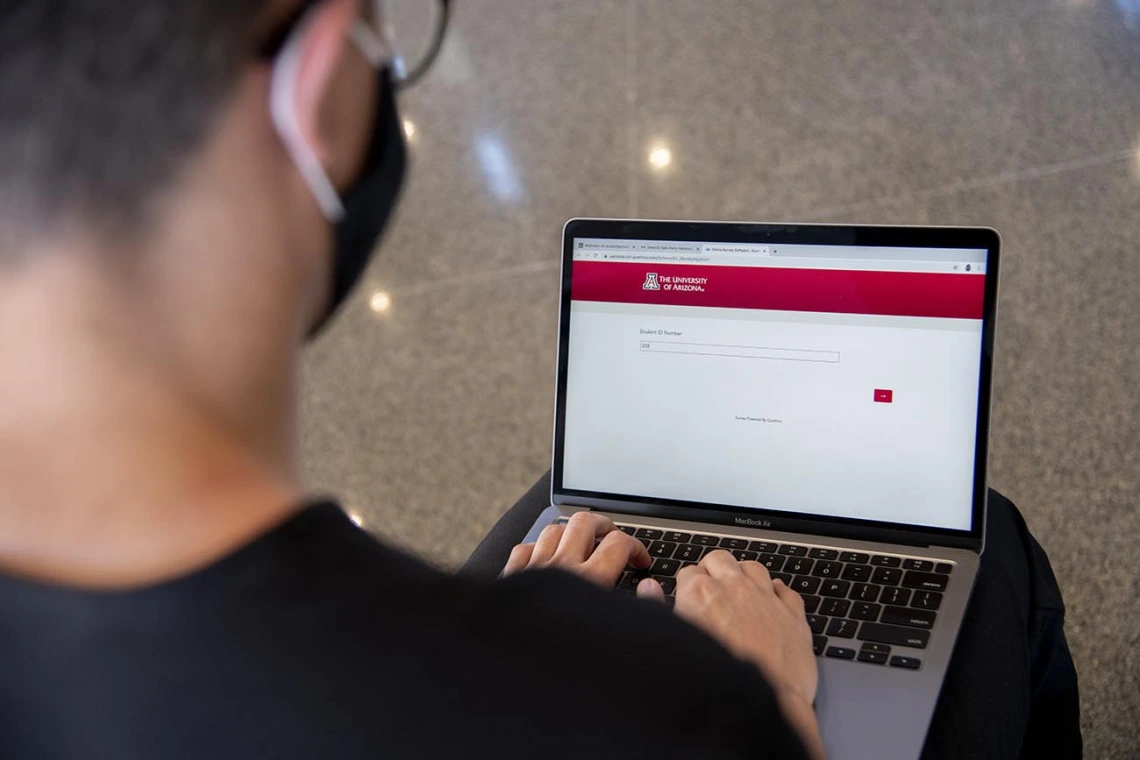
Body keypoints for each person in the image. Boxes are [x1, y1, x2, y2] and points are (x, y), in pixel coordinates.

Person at [0, 1, 1078, 759]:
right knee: (994, 544)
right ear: (320, 78)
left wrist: (516, 634)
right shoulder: (667, 718)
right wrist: (768, 702)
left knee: (572, 503)